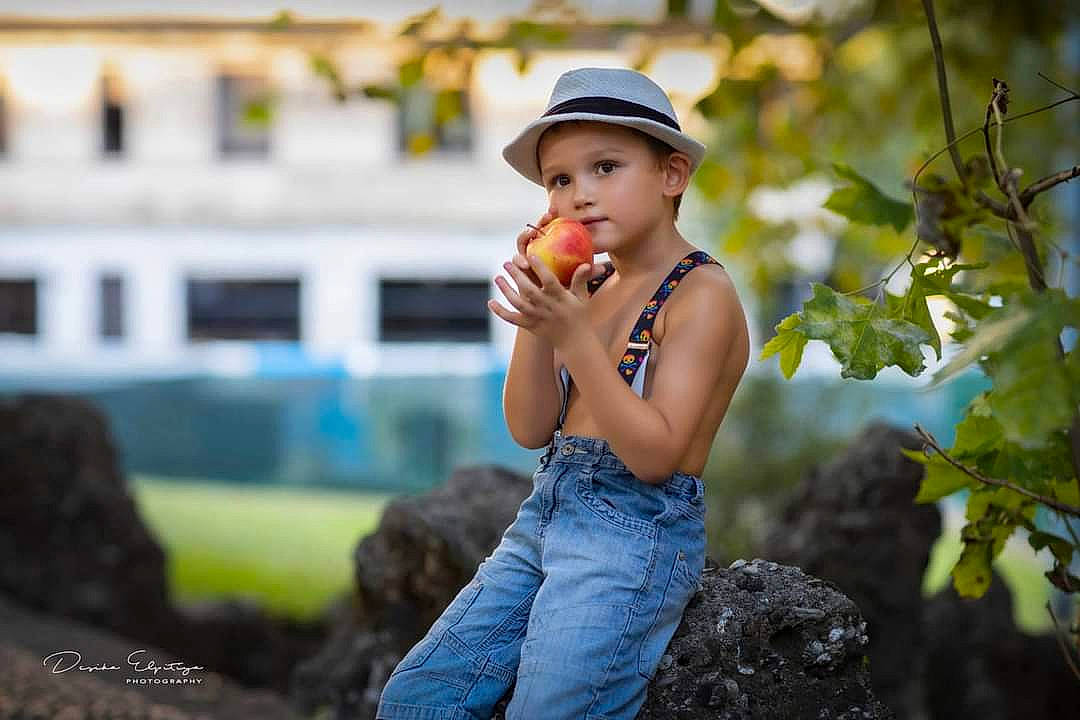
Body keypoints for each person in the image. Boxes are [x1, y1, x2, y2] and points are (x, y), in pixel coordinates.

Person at [377, 66, 750, 720]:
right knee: (419, 696)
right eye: (561, 179)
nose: (580, 195)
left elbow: (656, 455)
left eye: (605, 168)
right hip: (545, 514)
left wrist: (574, 335)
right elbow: (530, 427)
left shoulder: (701, 295)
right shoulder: (593, 289)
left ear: (672, 175)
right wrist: (539, 317)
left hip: (634, 534)